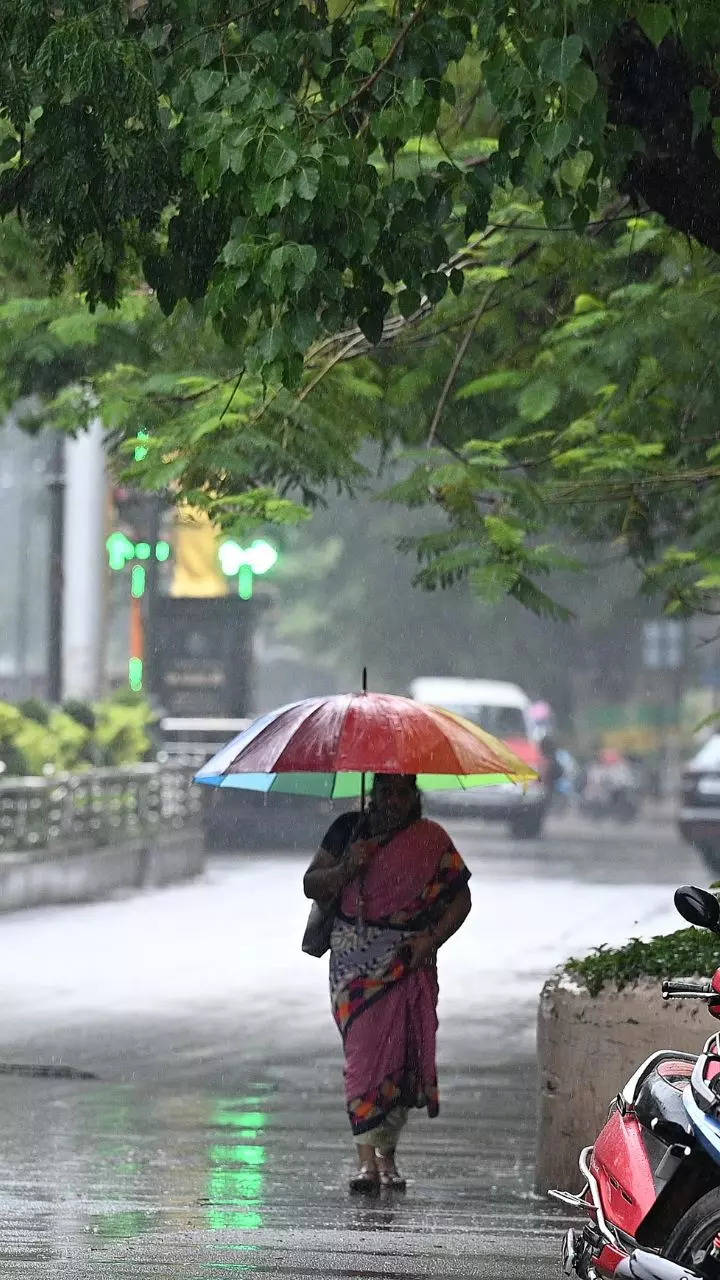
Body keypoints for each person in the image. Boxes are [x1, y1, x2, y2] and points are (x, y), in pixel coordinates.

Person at [303, 773, 472, 1193]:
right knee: (363, 1057)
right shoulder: (347, 830)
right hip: (352, 964)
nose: (393, 801)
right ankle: (365, 1162)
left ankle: (387, 1157)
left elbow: (461, 898)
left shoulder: (431, 839)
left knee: (399, 1060)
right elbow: (311, 883)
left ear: (414, 796)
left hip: (407, 959)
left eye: (402, 793)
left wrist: (430, 940)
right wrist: (348, 865)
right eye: (385, 792)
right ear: (372, 794)